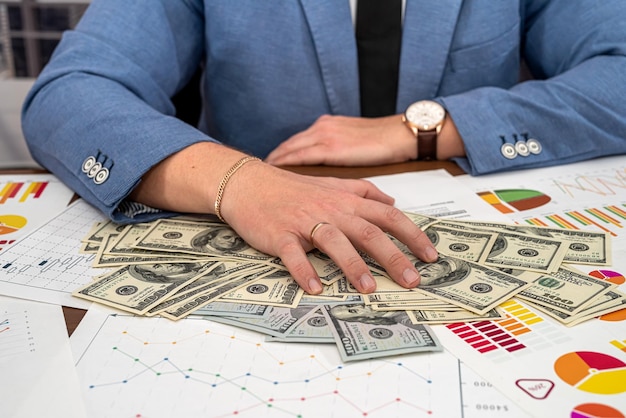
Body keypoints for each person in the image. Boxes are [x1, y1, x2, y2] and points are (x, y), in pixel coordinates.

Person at [21, 1, 626, 296]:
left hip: (449, 254)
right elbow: (70, 93)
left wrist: (428, 126)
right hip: (257, 250)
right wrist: (237, 180)